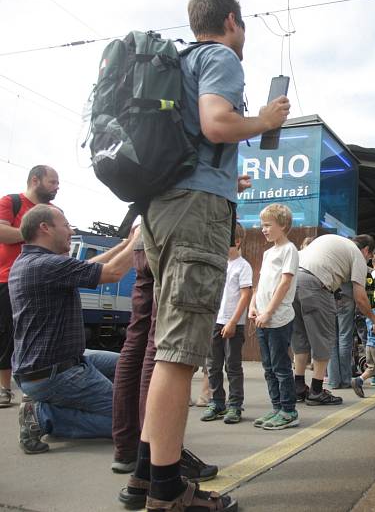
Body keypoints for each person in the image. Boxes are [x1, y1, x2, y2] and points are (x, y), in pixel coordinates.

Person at [135, 0, 290, 511]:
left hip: (161, 208)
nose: (242, 37)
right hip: (194, 212)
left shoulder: (175, 64)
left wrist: (228, 182)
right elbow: (217, 123)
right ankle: (167, 492)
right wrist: (266, 120)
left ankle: (143, 474)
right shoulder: (218, 56)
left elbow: (198, 138)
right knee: (180, 356)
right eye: (242, 26)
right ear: (230, 21)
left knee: (166, 348)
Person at [10, 205, 135, 454]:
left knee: (128, 364)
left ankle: (104, 404)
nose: (71, 230)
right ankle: (45, 415)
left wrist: (124, 245)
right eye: (65, 225)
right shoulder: (45, 265)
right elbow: (113, 272)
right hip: (55, 373)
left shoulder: (33, 262)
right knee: (131, 425)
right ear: (44, 228)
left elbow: (88, 266)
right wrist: (141, 240)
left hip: (59, 363)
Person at [112, 232, 218, 492]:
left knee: (136, 340)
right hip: (179, 234)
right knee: (163, 345)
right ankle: (162, 455)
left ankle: (127, 449)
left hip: (146, 235)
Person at [292, 234, 375, 405]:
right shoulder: (357, 255)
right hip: (316, 285)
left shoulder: (330, 240)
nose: (369, 259)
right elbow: (360, 297)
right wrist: (373, 317)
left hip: (293, 280)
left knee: (300, 336)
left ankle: (298, 387)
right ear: (366, 250)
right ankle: (317, 391)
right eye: (370, 256)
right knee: (325, 337)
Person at [0, 165, 59, 408]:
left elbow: (59, 243)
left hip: (43, 282)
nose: (57, 187)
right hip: (6, 279)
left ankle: (32, 387)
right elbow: (2, 232)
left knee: (38, 336)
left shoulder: (54, 211)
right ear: (35, 180)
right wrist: (36, 234)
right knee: (6, 335)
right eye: (52, 182)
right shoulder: (11, 202)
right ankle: (5, 389)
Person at [250, 204, 299, 430]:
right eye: (262, 225)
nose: (264, 229)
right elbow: (261, 283)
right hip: (262, 317)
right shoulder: (268, 252)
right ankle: (276, 407)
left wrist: (269, 310)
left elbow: (285, 282)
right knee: (268, 367)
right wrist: (253, 305)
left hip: (278, 318)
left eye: (268, 225)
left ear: (283, 225)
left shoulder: (289, 250)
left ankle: (289, 410)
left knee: (281, 366)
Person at [201, 224, 252, 424]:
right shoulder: (219, 264)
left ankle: (235, 405)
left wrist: (232, 321)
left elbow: (246, 295)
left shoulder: (243, 266)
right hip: (214, 321)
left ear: (236, 241)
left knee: (232, 366)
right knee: (212, 365)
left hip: (233, 324)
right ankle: (217, 402)